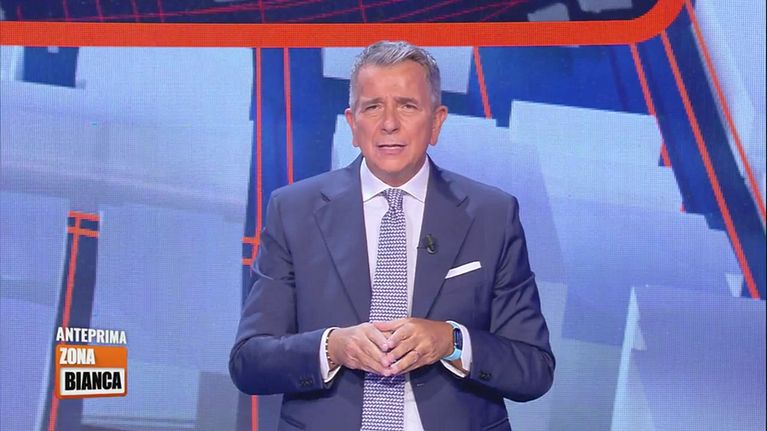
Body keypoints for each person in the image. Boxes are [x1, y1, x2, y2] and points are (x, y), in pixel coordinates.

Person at [229, 40, 554, 431]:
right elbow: (249, 361)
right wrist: (332, 347)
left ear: (437, 121)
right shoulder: (293, 211)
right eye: (372, 107)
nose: (389, 123)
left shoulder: (491, 215)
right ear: (353, 124)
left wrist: (451, 341)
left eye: (407, 106)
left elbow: (533, 368)